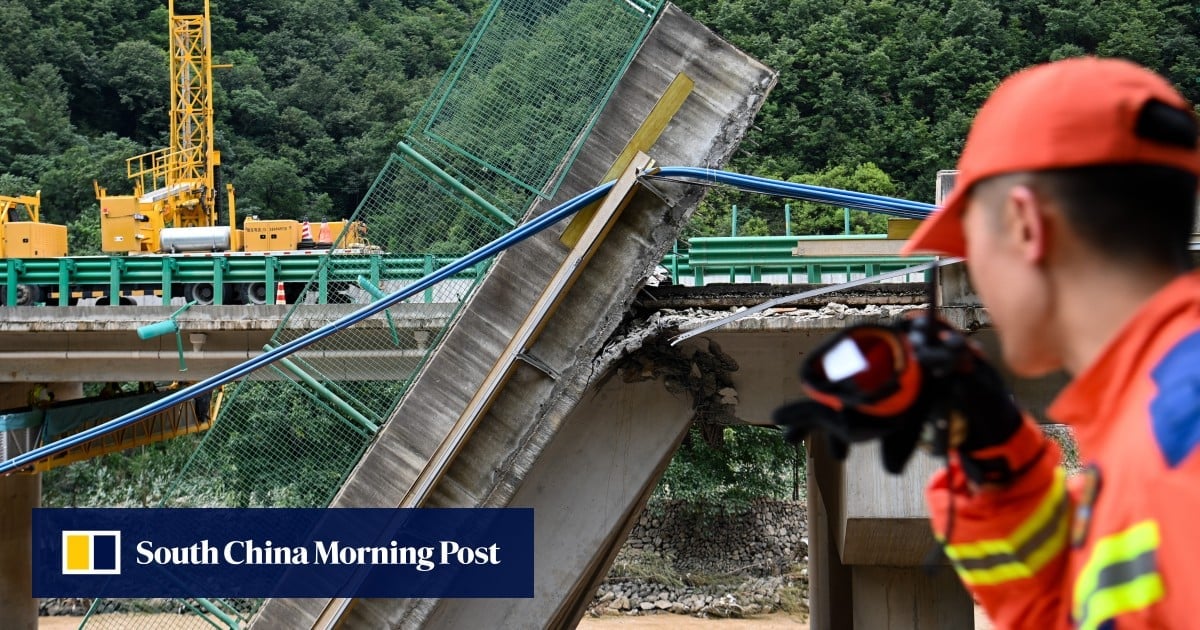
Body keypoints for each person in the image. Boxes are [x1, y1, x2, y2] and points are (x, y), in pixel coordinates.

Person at [777, 57, 1200, 629]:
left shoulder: (1179, 422)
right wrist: (995, 451)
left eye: (971, 246)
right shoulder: (1145, 419)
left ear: (1026, 226)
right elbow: (1067, 608)